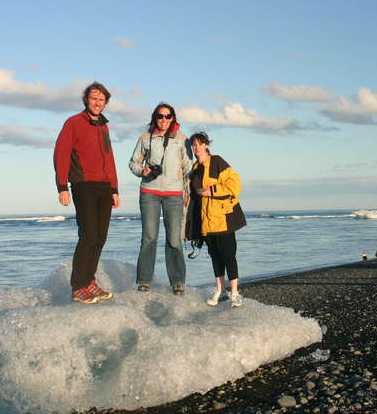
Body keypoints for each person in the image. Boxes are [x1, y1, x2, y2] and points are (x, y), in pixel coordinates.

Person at [54, 81, 120, 304]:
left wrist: (115, 188)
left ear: (105, 103)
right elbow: (61, 154)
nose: (97, 103)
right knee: (88, 235)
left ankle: (90, 282)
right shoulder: (73, 123)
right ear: (86, 100)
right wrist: (62, 186)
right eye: (94, 99)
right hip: (83, 185)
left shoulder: (103, 126)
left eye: (101, 100)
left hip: (104, 187)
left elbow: (109, 158)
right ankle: (78, 287)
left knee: (100, 238)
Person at [129, 103, 192, 294]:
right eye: (160, 116)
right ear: (154, 118)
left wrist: (187, 193)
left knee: (174, 239)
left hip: (174, 194)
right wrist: (143, 171)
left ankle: (178, 282)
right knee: (149, 238)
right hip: (149, 192)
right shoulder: (145, 138)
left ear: (173, 118)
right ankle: (144, 281)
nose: (163, 120)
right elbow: (133, 162)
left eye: (167, 116)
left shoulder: (183, 140)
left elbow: (188, 168)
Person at [185, 132, 246, 307]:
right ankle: (219, 290)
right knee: (215, 256)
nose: (196, 148)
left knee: (228, 255)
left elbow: (235, 184)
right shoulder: (195, 168)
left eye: (199, 144)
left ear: (206, 145)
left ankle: (235, 293)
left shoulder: (217, 161)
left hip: (223, 217)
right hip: (206, 221)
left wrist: (213, 191)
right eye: (193, 145)